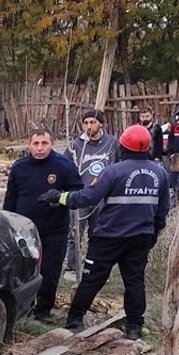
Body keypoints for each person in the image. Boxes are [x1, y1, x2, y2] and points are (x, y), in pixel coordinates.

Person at [40, 124, 170, 341]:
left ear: (123, 147)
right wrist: (152, 234)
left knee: (92, 279)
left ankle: (74, 319)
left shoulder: (113, 171)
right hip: (140, 237)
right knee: (135, 282)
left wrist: (58, 197)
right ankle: (134, 327)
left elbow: (86, 198)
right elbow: (163, 210)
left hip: (108, 237)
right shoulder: (160, 173)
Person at [2, 128, 84, 324]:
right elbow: (10, 196)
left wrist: (59, 198)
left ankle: (43, 309)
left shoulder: (64, 166)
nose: (39, 148)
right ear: (29, 145)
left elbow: (79, 193)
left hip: (54, 229)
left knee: (50, 270)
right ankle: (23, 306)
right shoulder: (19, 167)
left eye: (44, 143)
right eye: (35, 144)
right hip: (24, 229)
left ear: (52, 144)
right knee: (22, 268)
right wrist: (6, 222)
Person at [64, 108, 117, 271]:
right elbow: (66, 166)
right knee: (74, 233)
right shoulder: (75, 145)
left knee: (98, 234)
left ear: (100, 124)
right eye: (86, 123)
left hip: (103, 196)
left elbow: (119, 165)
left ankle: (93, 265)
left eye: (93, 122)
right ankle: (72, 268)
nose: (89, 126)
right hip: (82, 196)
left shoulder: (112, 143)